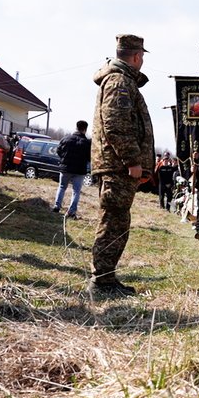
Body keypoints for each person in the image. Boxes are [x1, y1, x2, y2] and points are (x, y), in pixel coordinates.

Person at [88, 34, 155, 296]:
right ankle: (101, 282)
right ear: (137, 57)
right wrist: (132, 161)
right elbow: (115, 123)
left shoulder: (121, 80)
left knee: (116, 221)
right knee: (113, 222)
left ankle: (106, 278)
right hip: (118, 166)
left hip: (117, 165)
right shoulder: (119, 81)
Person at [52, 120, 92, 219]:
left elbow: (58, 150)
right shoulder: (87, 143)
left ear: (76, 127)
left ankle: (57, 205)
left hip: (65, 168)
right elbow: (89, 157)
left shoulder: (66, 138)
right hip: (80, 170)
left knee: (62, 187)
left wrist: (63, 159)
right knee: (76, 191)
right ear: (85, 129)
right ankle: (72, 211)